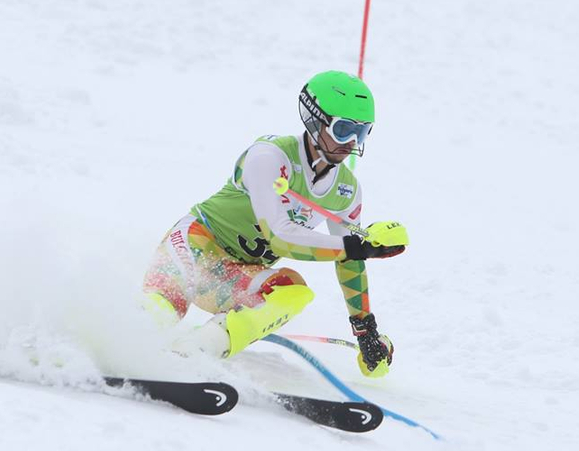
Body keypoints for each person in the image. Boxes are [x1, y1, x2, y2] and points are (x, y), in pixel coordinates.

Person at [142, 70, 408, 377]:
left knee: (293, 290)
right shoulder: (269, 156)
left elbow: (350, 260)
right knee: (157, 316)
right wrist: (354, 245)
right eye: (343, 129)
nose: (350, 142)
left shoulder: (347, 191)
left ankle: (197, 352)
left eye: (361, 133)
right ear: (314, 119)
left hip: (236, 274)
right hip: (193, 249)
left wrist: (365, 329)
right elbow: (280, 236)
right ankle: (95, 339)